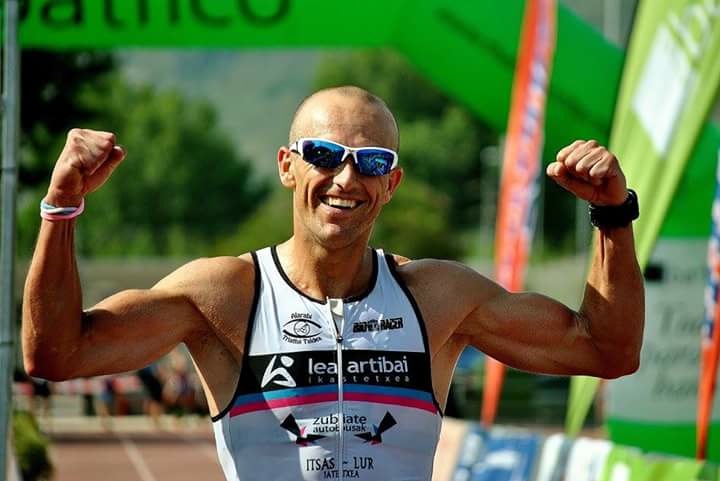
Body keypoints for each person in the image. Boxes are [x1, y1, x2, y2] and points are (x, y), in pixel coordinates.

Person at [22, 86, 643, 481]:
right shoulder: (226, 294)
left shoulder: (438, 298)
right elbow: (57, 353)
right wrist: (60, 207)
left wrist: (612, 216)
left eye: (371, 162)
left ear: (391, 184)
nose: (346, 178)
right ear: (287, 166)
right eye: (323, 154)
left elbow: (606, 350)